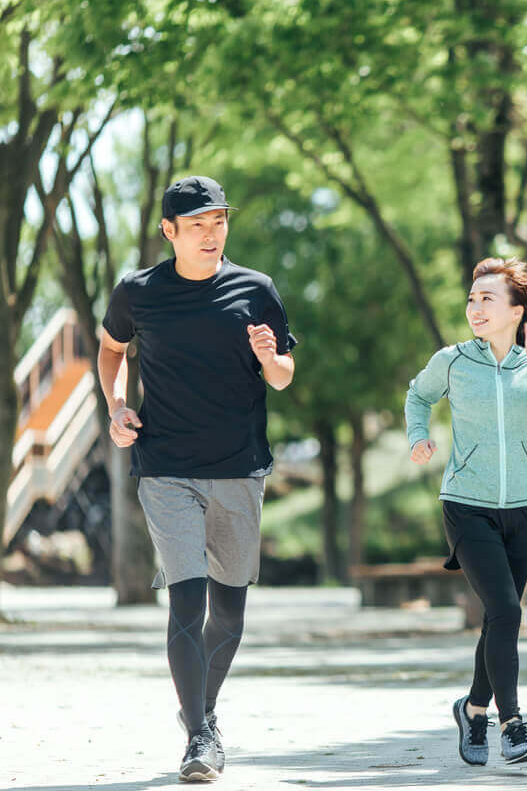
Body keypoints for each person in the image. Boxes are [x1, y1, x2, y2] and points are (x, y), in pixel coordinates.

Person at [97, 175, 297, 781]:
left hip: (239, 468)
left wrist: (270, 358)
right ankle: (202, 737)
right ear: (170, 232)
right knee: (186, 598)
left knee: (229, 615)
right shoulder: (139, 292)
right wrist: (116, 405)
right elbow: (110, 350)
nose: (212, 234)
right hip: (166, 469)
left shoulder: (255, 289)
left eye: (220, 222)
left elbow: (285, 375)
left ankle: (199, 712)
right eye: (198, 225)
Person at [406, 257, 527, 766]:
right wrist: (419, 435)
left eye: (487, 299)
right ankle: (513, 724)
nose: (475, 308)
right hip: (466, 505)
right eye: (472, 299)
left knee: (500, 617)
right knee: (506, 611)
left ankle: (474, 707)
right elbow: (418, 395)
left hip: (522, 510)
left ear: (518, 310)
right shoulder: (453, 360)